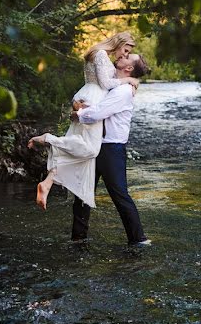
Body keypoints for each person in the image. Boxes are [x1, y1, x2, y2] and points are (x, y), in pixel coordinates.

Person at [28, 31, 140, 210]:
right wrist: (129, 79)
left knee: (78, 146)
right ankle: (47, 139)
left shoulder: (97, 53)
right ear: (118, 43)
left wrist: (76, 101)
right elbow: (105, 84)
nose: (125, 55)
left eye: (127, 53)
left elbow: (94, 81)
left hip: (87, 95)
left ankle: (48, 182)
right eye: (125, 50)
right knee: (90, 149)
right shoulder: (102, 54)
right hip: (93, 101)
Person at [69, 54, 151, 246]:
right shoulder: (114, 86)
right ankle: (78, 238)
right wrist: (83, 108)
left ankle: (139, 239)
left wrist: (78, 114)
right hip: (96, 143)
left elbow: (98, 113)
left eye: (126, 57)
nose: (122, 56)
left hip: (111, 148)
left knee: (119, 194)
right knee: (82, 192)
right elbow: (97, 106)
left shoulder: (123, 91)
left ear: (129, 68)